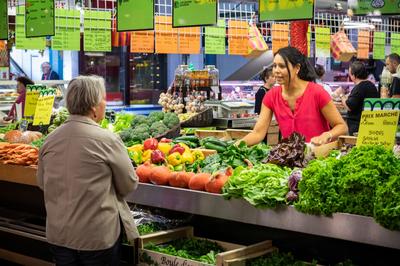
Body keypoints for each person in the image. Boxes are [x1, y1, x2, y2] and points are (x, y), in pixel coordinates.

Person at [37, 75, 139, 265]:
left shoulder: (50, 140)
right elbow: (129, 185)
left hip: (59, 236)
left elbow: (42, 183)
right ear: (93, 106)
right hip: (96, 238)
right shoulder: (107, 140)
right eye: (103, 99)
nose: (105, 104)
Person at [241, 46, 348, 146]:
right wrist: (234, 147)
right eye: (274, 66)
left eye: (282, 66)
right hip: (290, 160)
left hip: (319, 158)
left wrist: (327, 135)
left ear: (297, 68)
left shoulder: (317, 92)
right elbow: (258, 133)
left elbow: (342, 126)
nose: (276, 71)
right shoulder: (271, 96)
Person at [341, 61, 380, 136]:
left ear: (354, 75)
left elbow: (349, 106)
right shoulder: (371, 85)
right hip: (370, 124)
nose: (350, 76)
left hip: (358, 126)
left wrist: (342, 97)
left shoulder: (359, 87)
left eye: (350, 74)